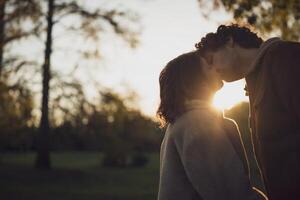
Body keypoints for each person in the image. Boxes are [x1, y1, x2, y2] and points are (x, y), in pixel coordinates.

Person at [195, 24, 300, 200]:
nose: (212, 71)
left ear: (229, 42)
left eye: (211, 60)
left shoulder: (284, 57)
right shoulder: (256, 80)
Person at [157, 51, 267, 200]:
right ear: (194, 79)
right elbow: (229, 192)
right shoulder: (197, 123)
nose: (216, 68)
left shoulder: (183, 121)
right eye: (209, 65)